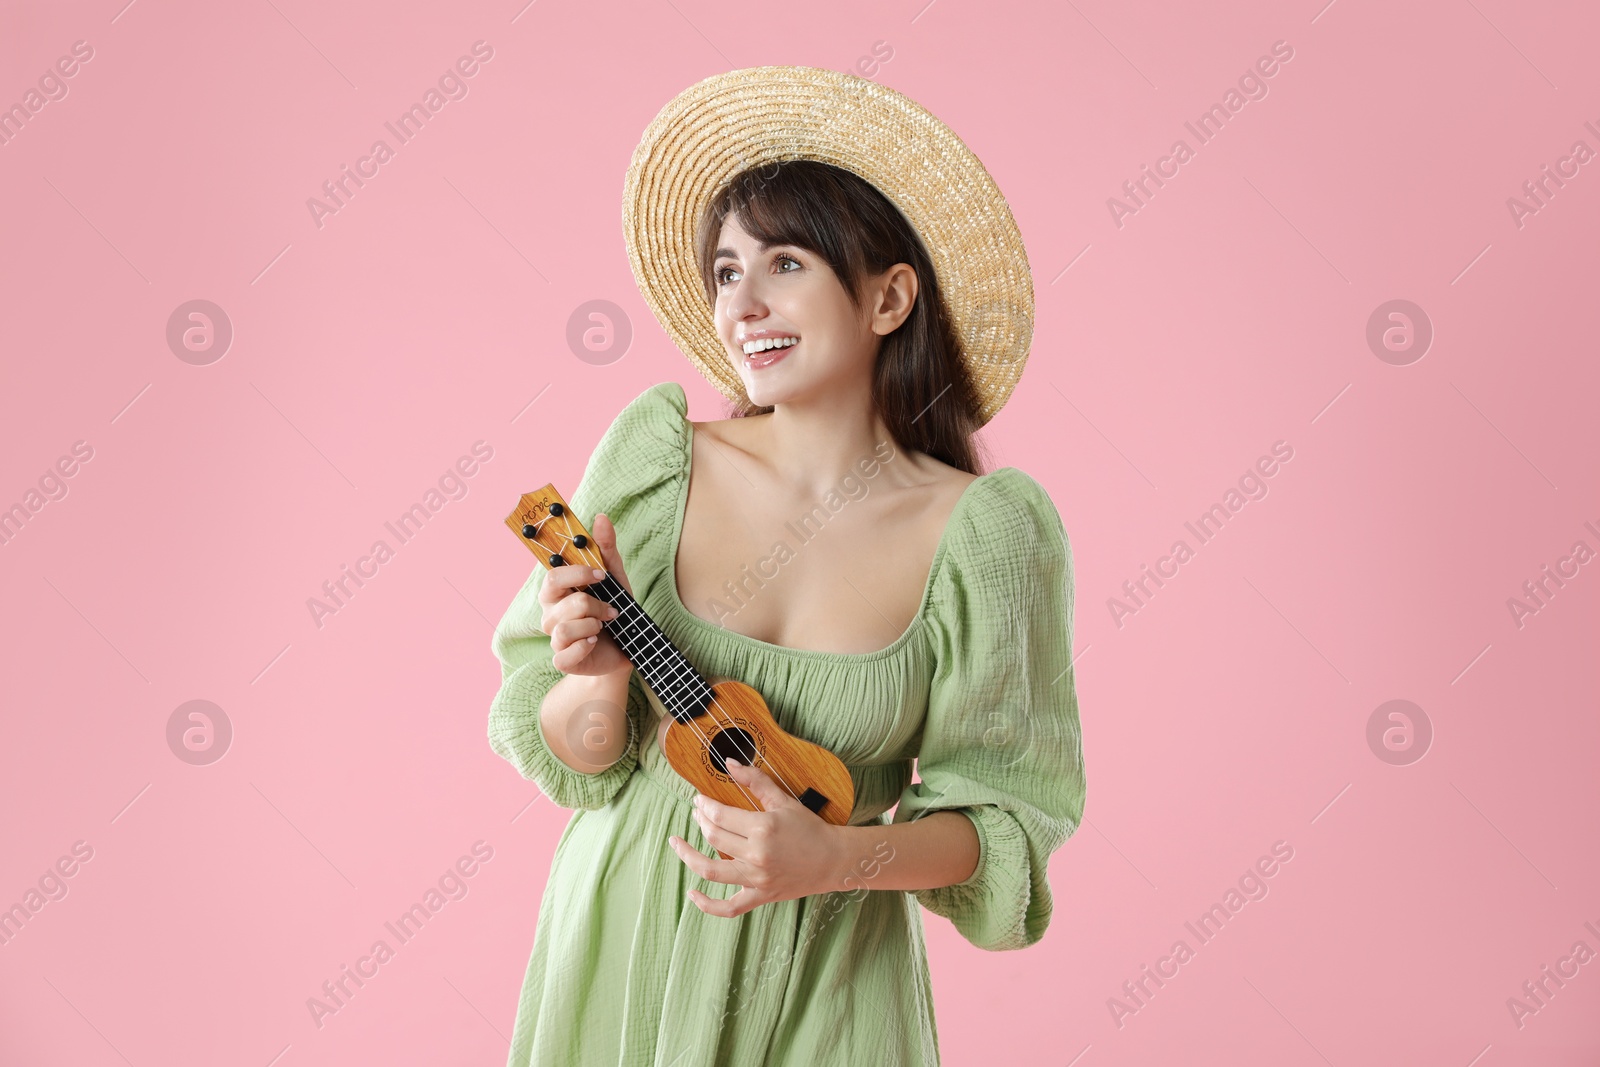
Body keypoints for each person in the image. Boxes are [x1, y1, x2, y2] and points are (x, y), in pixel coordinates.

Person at [487, 66, 1086, 1066]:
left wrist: (840, 856)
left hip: (829, 970)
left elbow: (1007, 812)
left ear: (890, 295)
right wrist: (594, 681)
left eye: (785, 263)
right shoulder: (656, 459)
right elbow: (583, 758)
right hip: (623, 938)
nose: (742, 304)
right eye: (726, 270)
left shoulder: (985, 534)